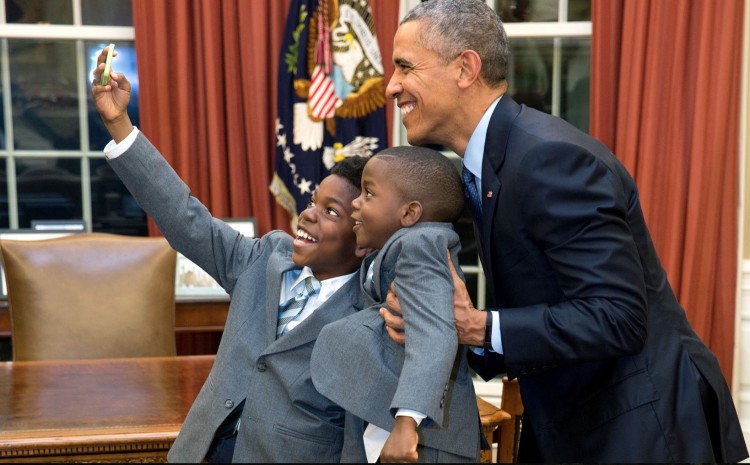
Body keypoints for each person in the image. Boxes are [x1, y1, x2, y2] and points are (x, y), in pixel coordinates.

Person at [378, 0, 749, 463]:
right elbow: (545, 309)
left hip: (640, 429)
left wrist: (478, 326)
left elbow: (618, 318)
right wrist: (445, 332)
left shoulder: (548, 160)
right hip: (575, 424)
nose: (391, 86)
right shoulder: (490, 165)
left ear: (465, 68)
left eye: (404, 67)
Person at [91, 46, 372, 463]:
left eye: (330, 212)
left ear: (363, 235)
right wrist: (119, 124)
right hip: (202, 450)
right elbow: (185, 218)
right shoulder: (266, 257)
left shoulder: (369, 309)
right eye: (313, 201)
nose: (309, 215)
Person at [310, 146, 481, 463]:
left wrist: (406, 423)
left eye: (369, 193)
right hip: (376, 422)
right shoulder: (388, 249)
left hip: (423, 440)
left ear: (409, 214)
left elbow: (434, 333)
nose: (356, 203)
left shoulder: (421, 244)